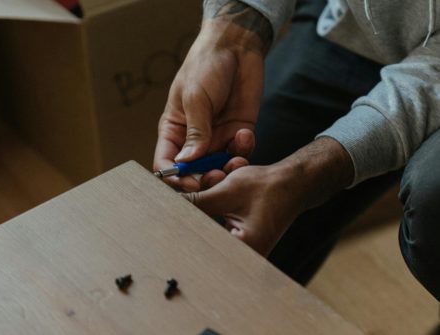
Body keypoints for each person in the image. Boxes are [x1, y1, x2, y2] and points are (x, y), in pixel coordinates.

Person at [153, 0, 440, 301]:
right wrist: (230, 35)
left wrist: (304, 174)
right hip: (353, 24)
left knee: (433, 212)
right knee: (218, 233)